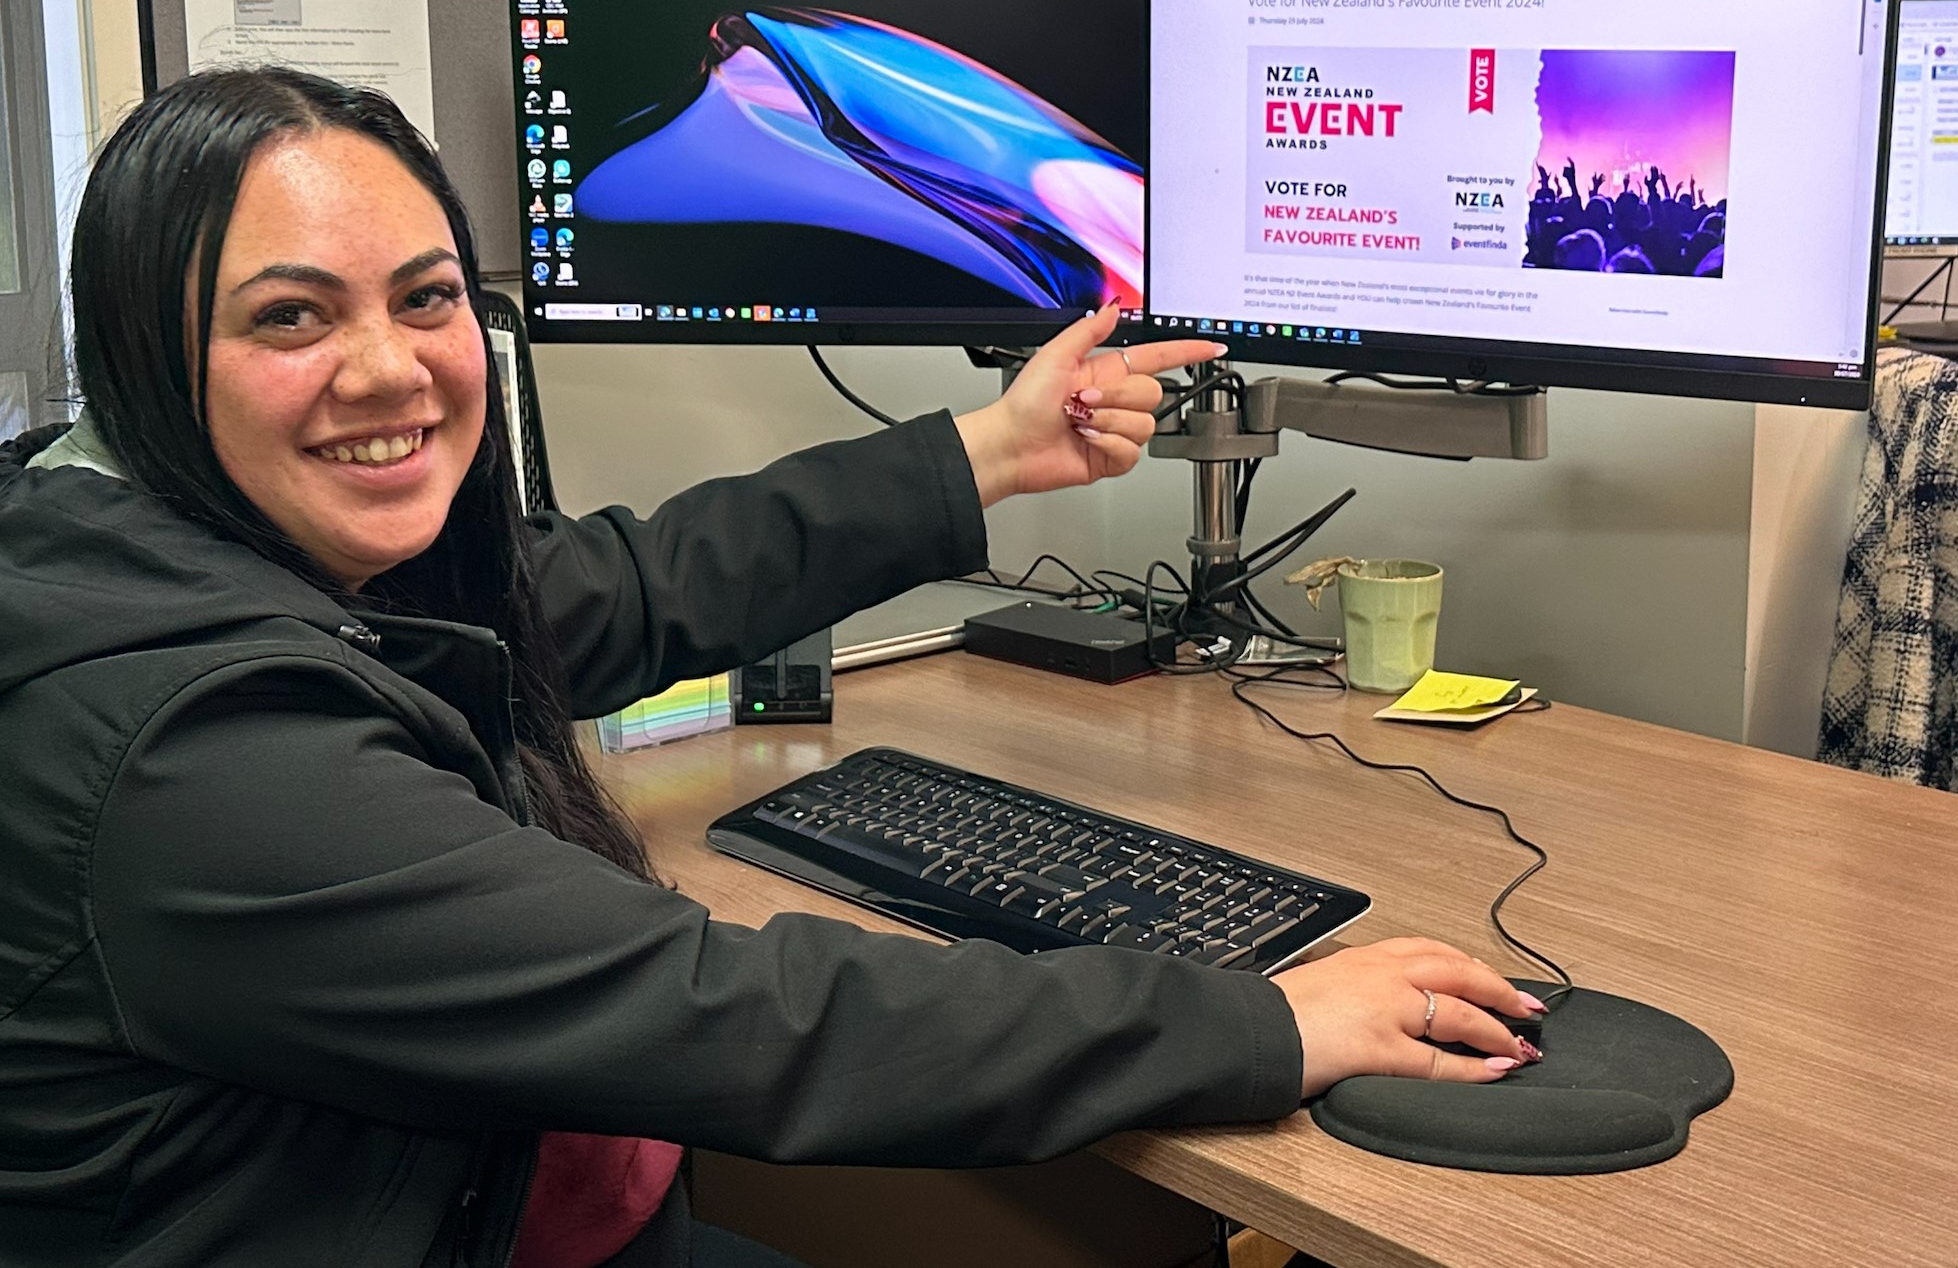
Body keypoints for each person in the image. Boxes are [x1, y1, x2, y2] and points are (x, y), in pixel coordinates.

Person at [0, 68, 1540, 1268]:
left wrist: (990, 450)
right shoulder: (191, 748)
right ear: (150, 355)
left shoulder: (177, 549)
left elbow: (634, 577)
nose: (393, 367)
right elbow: (733, 1010)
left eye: (427, 295)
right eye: (291, 317)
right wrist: (1261, 1021)